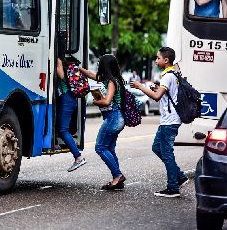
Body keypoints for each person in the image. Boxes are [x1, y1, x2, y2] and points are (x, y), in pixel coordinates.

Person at [130, 47, 188, 198]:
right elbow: (164, 94)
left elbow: (156, 97)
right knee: (157, 147)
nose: (156, 60)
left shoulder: (168, 76)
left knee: (167, 153)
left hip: (170, 121)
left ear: (166, 60)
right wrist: (157, 88)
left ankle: (173, 187)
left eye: (158, 58)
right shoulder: (172, 74)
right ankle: (180, 176)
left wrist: (141, 87)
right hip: (168, 120)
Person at [80, 54, 126, 190]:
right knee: (110, 149)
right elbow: (91, 74)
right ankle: (117, 180)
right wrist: (79, 69)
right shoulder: (109, 79)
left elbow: (107, 101)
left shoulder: (111, 82)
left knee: (100, 147)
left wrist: (96, 101)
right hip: (116, 118)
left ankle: (117, 176)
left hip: (114, 117)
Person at [57, 51, 86, 172]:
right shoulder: (67, 64)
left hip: (66, 99)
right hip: (69, 99)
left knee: (63, 130)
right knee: (60, 126)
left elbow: (60, 74)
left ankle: (78, 157)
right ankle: (55, 144)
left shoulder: (59, 62)